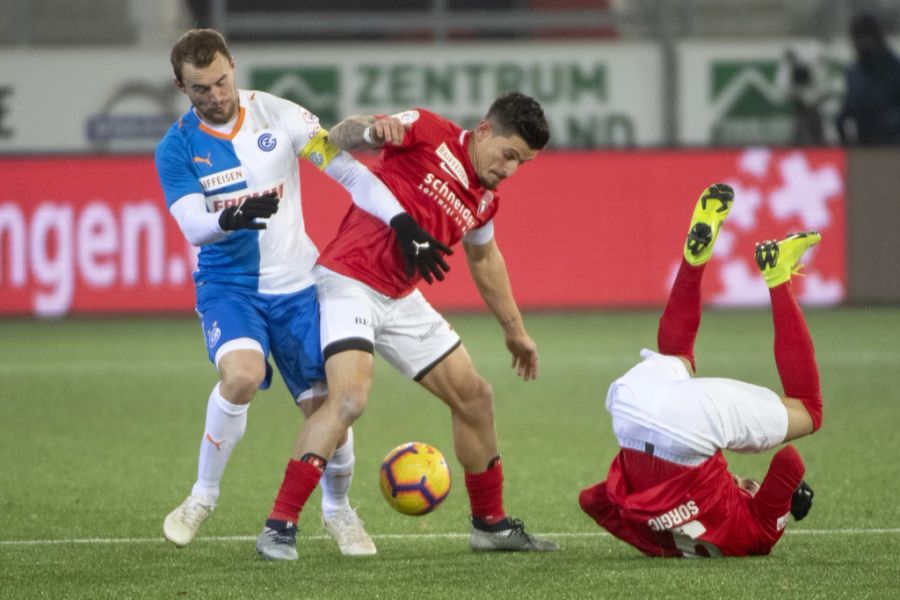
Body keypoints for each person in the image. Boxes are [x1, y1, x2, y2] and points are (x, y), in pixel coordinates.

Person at [254, 92, 559, 560]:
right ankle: (279, 525)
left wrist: (514, 329)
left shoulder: (484, 200)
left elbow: (484, 257)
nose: (511, 170)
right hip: (349, 280)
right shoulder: (428, 130)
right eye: (509, 154)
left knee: (475, 397)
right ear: (483, 131)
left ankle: (491, 526)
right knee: (349, 399)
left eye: (523, 163)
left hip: (399, 299)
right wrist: (374, 131)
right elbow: (341, 135)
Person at [155, 28, 422, 556]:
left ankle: (338, 510)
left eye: (221, 81)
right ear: (180, 87)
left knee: (331, 411)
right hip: (229, 287)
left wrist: (400, 220)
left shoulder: (281, 115)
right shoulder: (176, 148)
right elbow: (191, 224)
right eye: (200, 88)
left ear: (234, 66)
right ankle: (201, 497)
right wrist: (228, 216)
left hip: (300, 285)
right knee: (241, 376)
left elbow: (348, 173)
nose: (215, 96)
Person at [578, 183, 822, 557]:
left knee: (809, 410)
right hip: (630, 415)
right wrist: (651, 531)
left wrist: (791, 500)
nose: (750, 483)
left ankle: (776, 273)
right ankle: (701, 258)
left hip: (688, 432)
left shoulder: (755, 536)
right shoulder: (662, 538)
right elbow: (590, 500)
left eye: (753, 487)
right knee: (677, 358)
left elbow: (789, 463)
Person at [836, 12, 900, 145]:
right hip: (863, 143)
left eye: (864, 40)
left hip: (892, 144)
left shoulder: (895, 69)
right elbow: (850, 107)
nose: (858, 45)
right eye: (856, 40)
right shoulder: (853, 73)